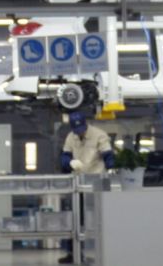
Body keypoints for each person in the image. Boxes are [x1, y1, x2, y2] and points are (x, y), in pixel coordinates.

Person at [56, 111, 114, 264]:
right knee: (76, 219)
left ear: (86, 124)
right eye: (76, 130)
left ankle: (106, 251)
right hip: (79, 184)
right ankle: (73, 253)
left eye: (81, 129)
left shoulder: (99, 135)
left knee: (100, 219)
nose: (79, 132)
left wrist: (112, 169)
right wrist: (68, 162)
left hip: (97, 183)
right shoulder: (71, 136)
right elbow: (65, 154)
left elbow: (108, 155)